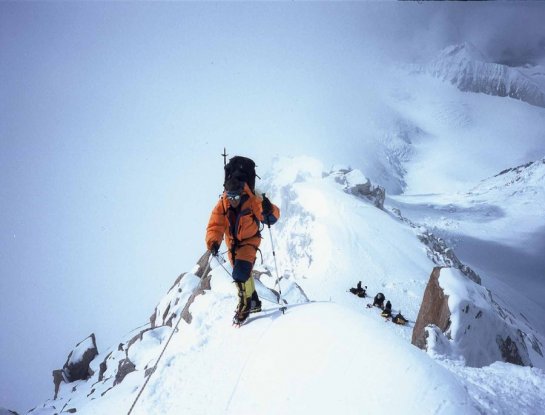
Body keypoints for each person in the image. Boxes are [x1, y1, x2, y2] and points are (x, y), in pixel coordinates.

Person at [206, 176, 280, 325]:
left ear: (242, 193)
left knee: (240, 273)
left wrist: (268, 209)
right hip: (232, 245)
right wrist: (213, 242)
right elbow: (215, 225)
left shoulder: (252, 200)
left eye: (236, 196)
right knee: (243, 273)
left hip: (249, 241)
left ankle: (244, 306)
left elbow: (271, 217)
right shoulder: (223, 204)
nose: (233, 200)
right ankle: (254, 302)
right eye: (230, 196)